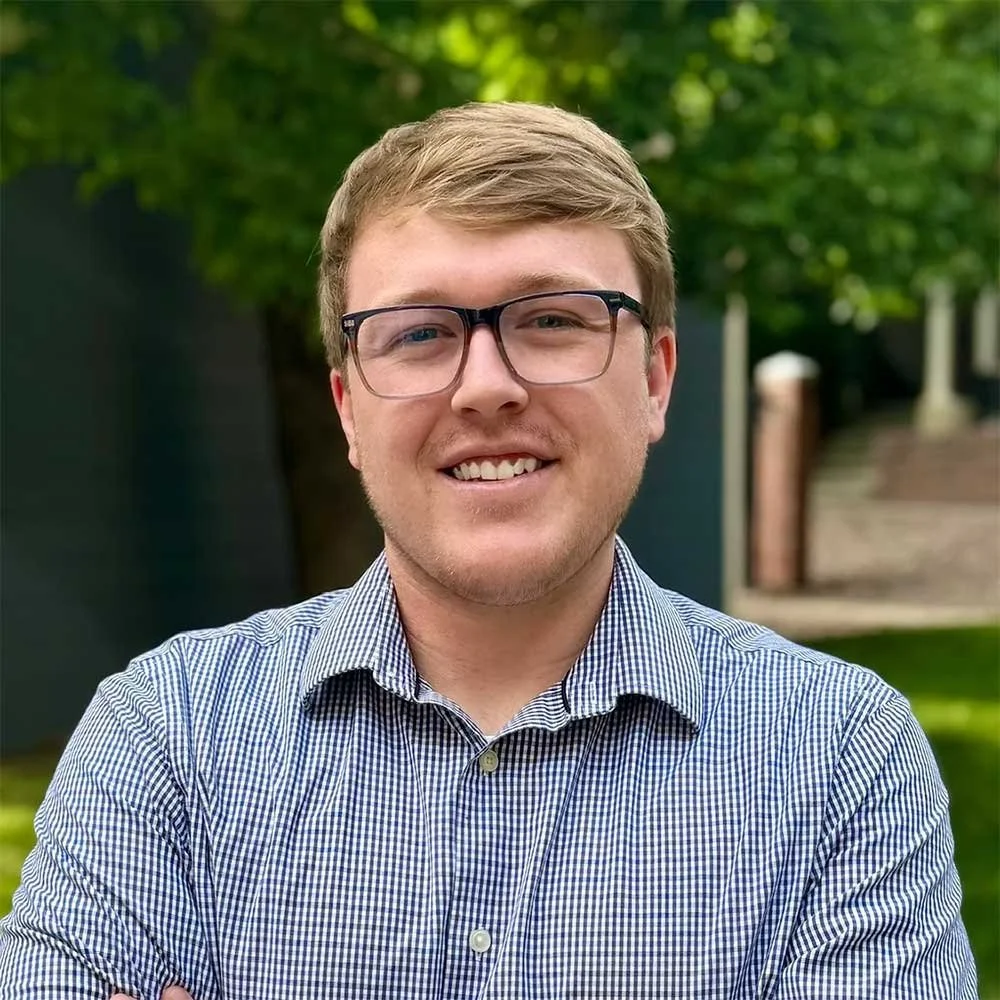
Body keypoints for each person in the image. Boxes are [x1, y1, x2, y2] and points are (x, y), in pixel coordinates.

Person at [0, 101, 976, 1000]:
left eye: (550, 320)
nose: (484, 386)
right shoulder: (167, 739)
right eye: (418, 333)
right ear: (348, 407)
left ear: (656, 377)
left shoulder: (841, 760)